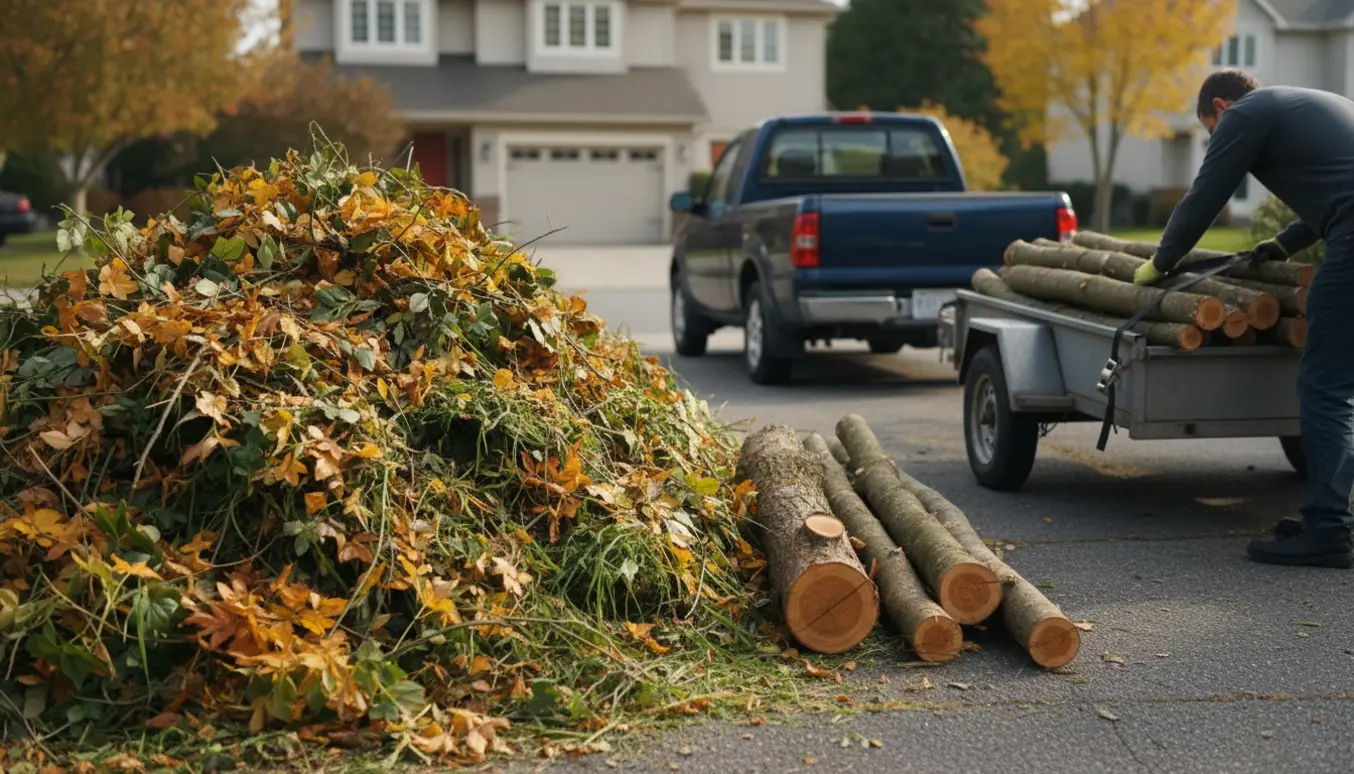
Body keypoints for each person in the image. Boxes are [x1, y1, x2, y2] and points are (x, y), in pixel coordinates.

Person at [1131, 69, 1354, 569]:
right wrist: (1283, 244)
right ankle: (1331, 513)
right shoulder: (1306, 102)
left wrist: (1162, 261)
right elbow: (1337, 189)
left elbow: (1206, 196)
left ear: (1220, 106)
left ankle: (1327, 530)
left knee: (1326, 385)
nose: (1217, 138)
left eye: (1211, 130)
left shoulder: (1244, 115)